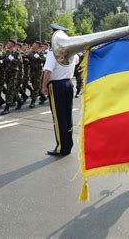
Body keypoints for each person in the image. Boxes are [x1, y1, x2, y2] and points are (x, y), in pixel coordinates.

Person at [42, 24, 79, 157]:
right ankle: (68, 145)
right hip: (69, 83)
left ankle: (61, 147)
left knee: (58, 118)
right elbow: (77, 60)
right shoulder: (71, 52)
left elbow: (47, 72)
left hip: (57, 86)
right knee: (67, 116)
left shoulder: (53, 52)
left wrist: (43, 86)